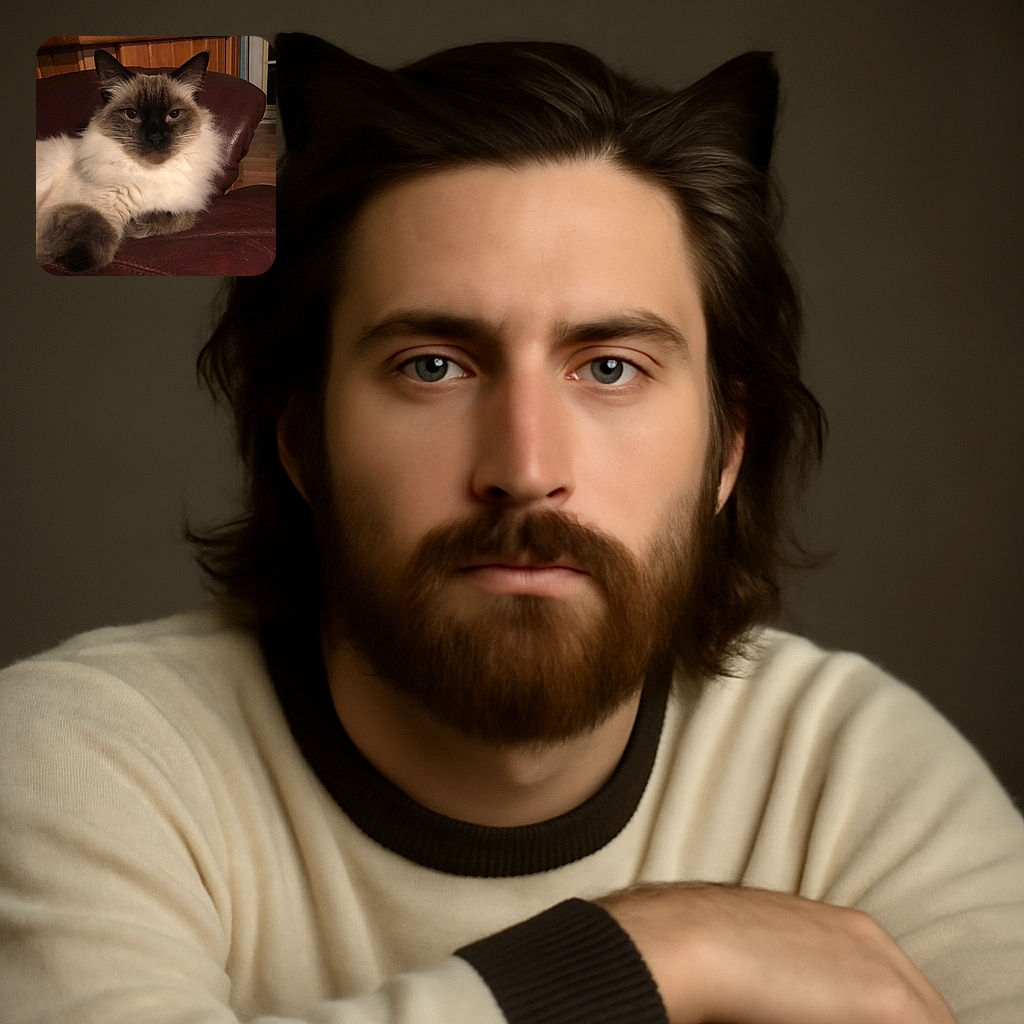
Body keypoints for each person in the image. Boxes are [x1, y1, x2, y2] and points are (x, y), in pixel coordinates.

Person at [1, 30, 1021, 1024]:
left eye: (610, 368)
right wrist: (655, 954)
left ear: (727, 452)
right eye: (433, 366)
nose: (525, 471)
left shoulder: (855, 775)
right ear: (304, 442)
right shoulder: (80, 760)